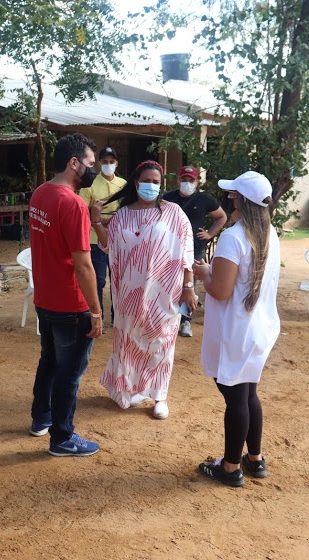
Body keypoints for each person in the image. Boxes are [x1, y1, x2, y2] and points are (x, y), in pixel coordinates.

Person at [192, 171, 281, 487]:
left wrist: (203, 272)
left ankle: (230, 468)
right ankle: (254, 459)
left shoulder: (233, 237)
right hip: (259, 328)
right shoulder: (269, 233)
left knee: (236, 399)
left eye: (233, 195)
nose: (229, 198)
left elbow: (220, 291)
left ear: (242, 200)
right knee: (248, 393)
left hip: (236, 331)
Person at [90, 160, 195, 420]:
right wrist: (96, 223)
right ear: (136, 183)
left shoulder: (173, 213)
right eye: (146, 181)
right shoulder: (123, 215)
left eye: (156, 182)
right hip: (128, 294)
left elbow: (186, 252)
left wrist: (189, 286)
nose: (151, 186)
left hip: (164, 292)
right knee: (128, 342)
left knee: (161, 342)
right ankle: (128, 390)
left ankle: (159, 396)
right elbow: (108, 247)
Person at [28, 132, 103, 457]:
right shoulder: (73, 204)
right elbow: (84, 266)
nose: (93, 170)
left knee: (49, 363)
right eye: (90, 164)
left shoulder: (40, 194)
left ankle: (40, 419)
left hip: (45, 300)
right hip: (71, 305)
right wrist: (96, 312)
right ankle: (62, 438)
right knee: (69, 374)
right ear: (74, 163)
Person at [162, 165, 228, 338]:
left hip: (195, 250)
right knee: (169, 282)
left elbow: (222, 217)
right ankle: (169, 318)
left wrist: (210, 234)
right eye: (184, 180)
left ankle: (186, 321)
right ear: (178, 180)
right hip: (170, 248)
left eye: (191, 180)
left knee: (190, 285)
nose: (187, 183)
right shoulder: (168, 198)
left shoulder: (205, 199)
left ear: (197, 182)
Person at [78, 147, 127, 327]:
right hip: (94, 239)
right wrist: (99, 219)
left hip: (119, 238)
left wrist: (109, 219)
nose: (108, 165)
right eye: (104, 162)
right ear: (99, 164)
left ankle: (118, 317)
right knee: (97, 280)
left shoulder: (123, 184)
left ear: (117, 163)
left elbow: (128, 208)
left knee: (119, 279)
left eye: (111, 162)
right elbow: (83, 210)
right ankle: (98, 314)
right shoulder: (89, 184)